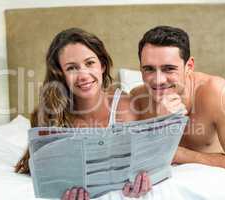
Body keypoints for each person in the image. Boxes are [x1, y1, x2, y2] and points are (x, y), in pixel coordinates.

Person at [15, 28, 152, 200]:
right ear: (61, 74)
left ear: (102, 65)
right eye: (72, 68)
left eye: (89, 63)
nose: (83, 75)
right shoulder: (51, 115)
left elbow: (143, 163)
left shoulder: (126, 107)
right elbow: (42, 171)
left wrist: (141, 180)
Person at [131, 25, 225, 171]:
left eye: (169, 69)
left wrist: (177, 154)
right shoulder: (136, 100)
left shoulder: (217, 92)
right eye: (149, 69)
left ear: (189, 66)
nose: (158, 80)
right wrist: (161, 124)